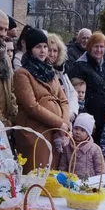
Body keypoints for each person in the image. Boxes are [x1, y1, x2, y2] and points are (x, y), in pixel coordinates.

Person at [12, 28, 69, 171]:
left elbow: (63, 100)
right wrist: (59, 123)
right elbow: (31, 106)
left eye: (45, 47)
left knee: (53, 175)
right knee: (37, 176)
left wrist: (65, 124)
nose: (43, 51)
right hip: (34, 133)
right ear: (31, 49)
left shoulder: (50, 72)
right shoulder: (22, 74)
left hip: (54, 132)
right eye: (38, 47)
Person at [68, 30, 105, 139]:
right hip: (88, 119)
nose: (99, 50)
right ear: (89, 47)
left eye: (101, 47)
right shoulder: (80, 66)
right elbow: (76, 93)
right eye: (95, 46)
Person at [58, 113, 104, 179]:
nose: (78, 132)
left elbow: (100, 170)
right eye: (76, 128)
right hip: (70, 183)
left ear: (88, 133)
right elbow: (63, 166)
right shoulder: (67, 147)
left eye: (82, 130)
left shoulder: (95, 149)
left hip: (89, 184)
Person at [47, 33, 79, 123]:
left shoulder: (61, 72)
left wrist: (71, 113)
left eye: (55, 51)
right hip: (53, 121)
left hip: (66, 120)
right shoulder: (42, 72)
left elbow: (72, 93)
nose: (52, 54)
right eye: (49, 50)